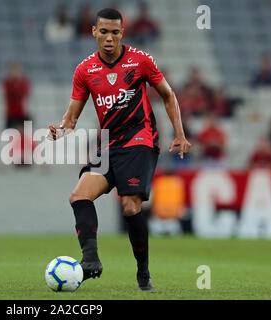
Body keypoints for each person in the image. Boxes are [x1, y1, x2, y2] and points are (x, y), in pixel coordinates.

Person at [47, 8, 191, 291]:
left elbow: (167, 94)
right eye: (104, 32)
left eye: (115, 32)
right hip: (109, 145)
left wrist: (180, 134)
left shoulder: (140, 61)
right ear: (94, 32)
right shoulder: (85, 70)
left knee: (129, 206)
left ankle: (143, 273)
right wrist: (61, 130)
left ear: (122, 33)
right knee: (78, 196)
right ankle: (90, 260)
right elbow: (72, 117)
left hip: (141, 141)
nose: (109, 38)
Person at [2, 62, 31, 129]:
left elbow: (23, 94)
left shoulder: (24, 82)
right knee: (9, 136)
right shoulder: (7, 83)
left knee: (27, 136)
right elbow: (10, 93)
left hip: (22, 114)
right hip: (10, 114)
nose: (15, 72)